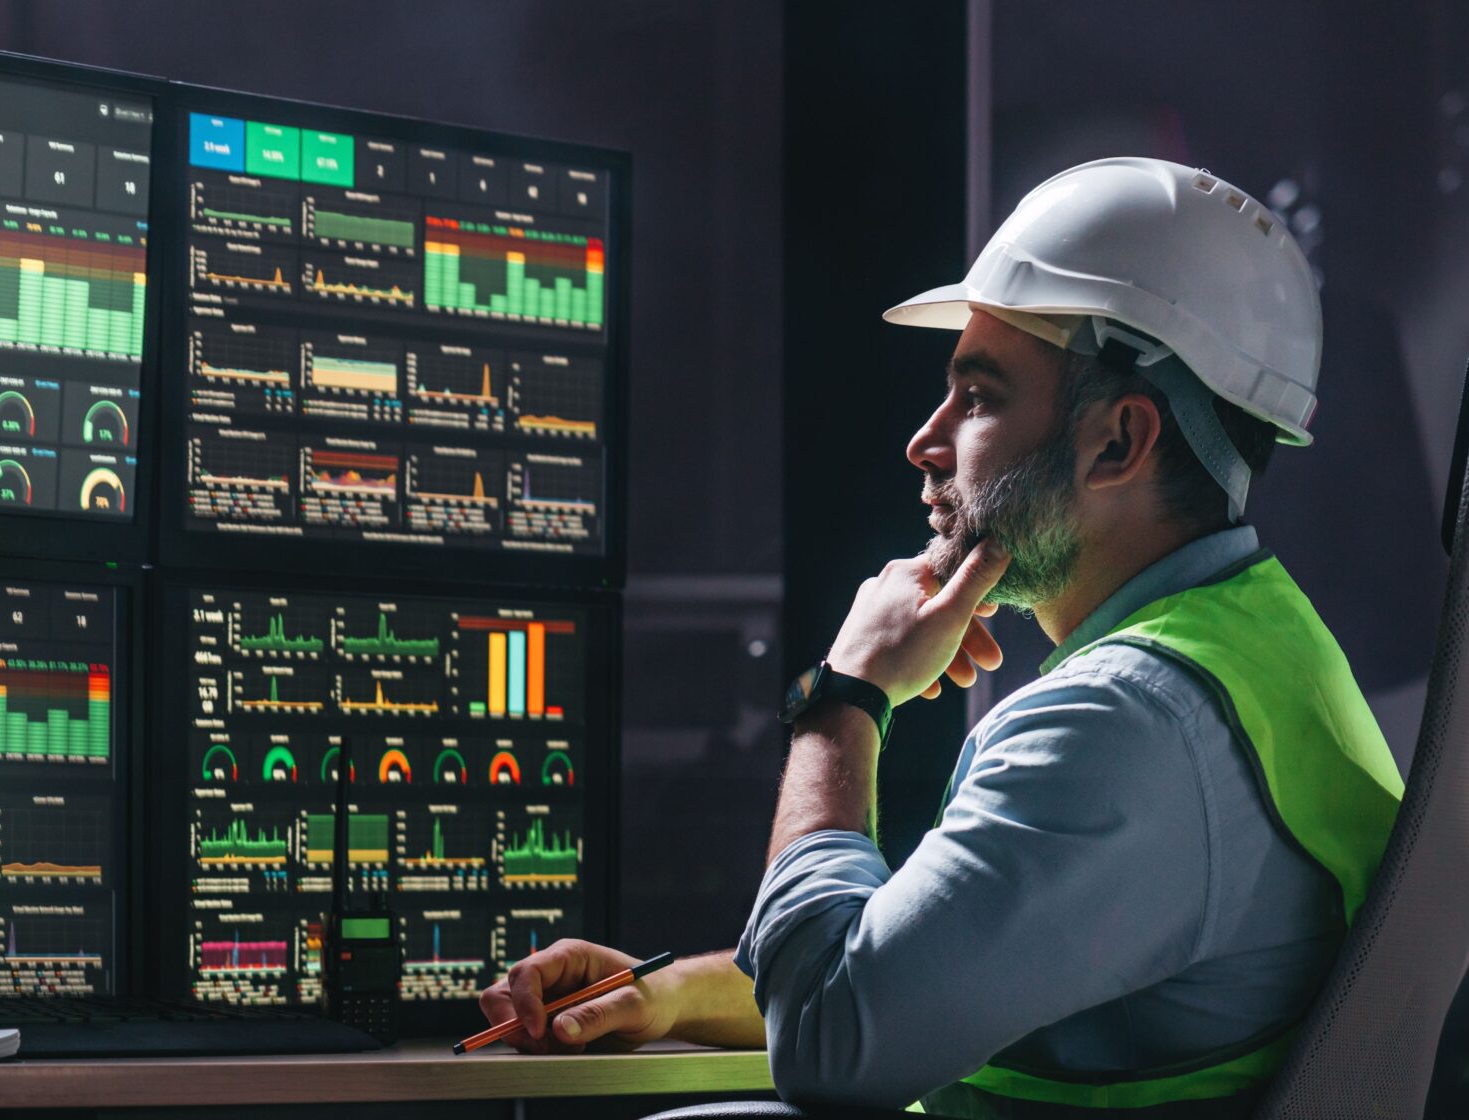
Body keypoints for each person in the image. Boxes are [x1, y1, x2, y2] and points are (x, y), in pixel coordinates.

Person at [477, 157, 1406, 1117]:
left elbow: (835, 1042)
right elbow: (920, 974)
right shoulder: (1258, 657)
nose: (926, 441)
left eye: (981, 396)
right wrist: (663, 992)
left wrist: (844, 699)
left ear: (1120, 443)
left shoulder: (1122, 724)